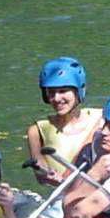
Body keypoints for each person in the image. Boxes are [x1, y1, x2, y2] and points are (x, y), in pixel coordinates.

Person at [24, 57, 101, 189]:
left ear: (79, 90)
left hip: (98, 194)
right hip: (61, 198)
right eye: (51, 93)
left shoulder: (101, 119)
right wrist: (47, 174)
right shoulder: (36, 130)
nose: (56, 98)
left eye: (63, 91)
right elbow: (42, 176)